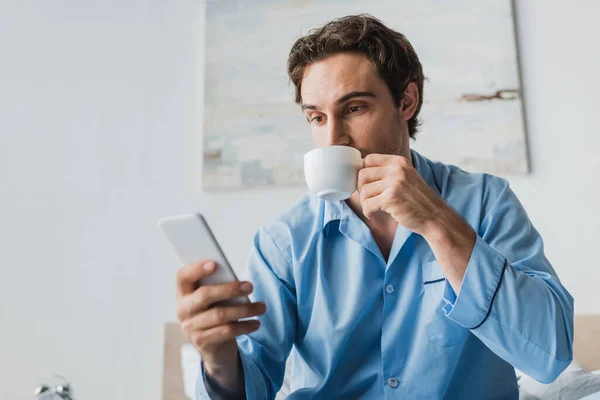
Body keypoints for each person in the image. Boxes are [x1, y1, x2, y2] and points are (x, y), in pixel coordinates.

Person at [175, 14, 574, 399]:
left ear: (407, 101)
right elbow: (254, 383)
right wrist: (218, 360)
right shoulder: (283, 243)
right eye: (316, 117)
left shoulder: (486, 202)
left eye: (354, 108)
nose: (334, 138)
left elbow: (550, 353)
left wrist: (437, 221)